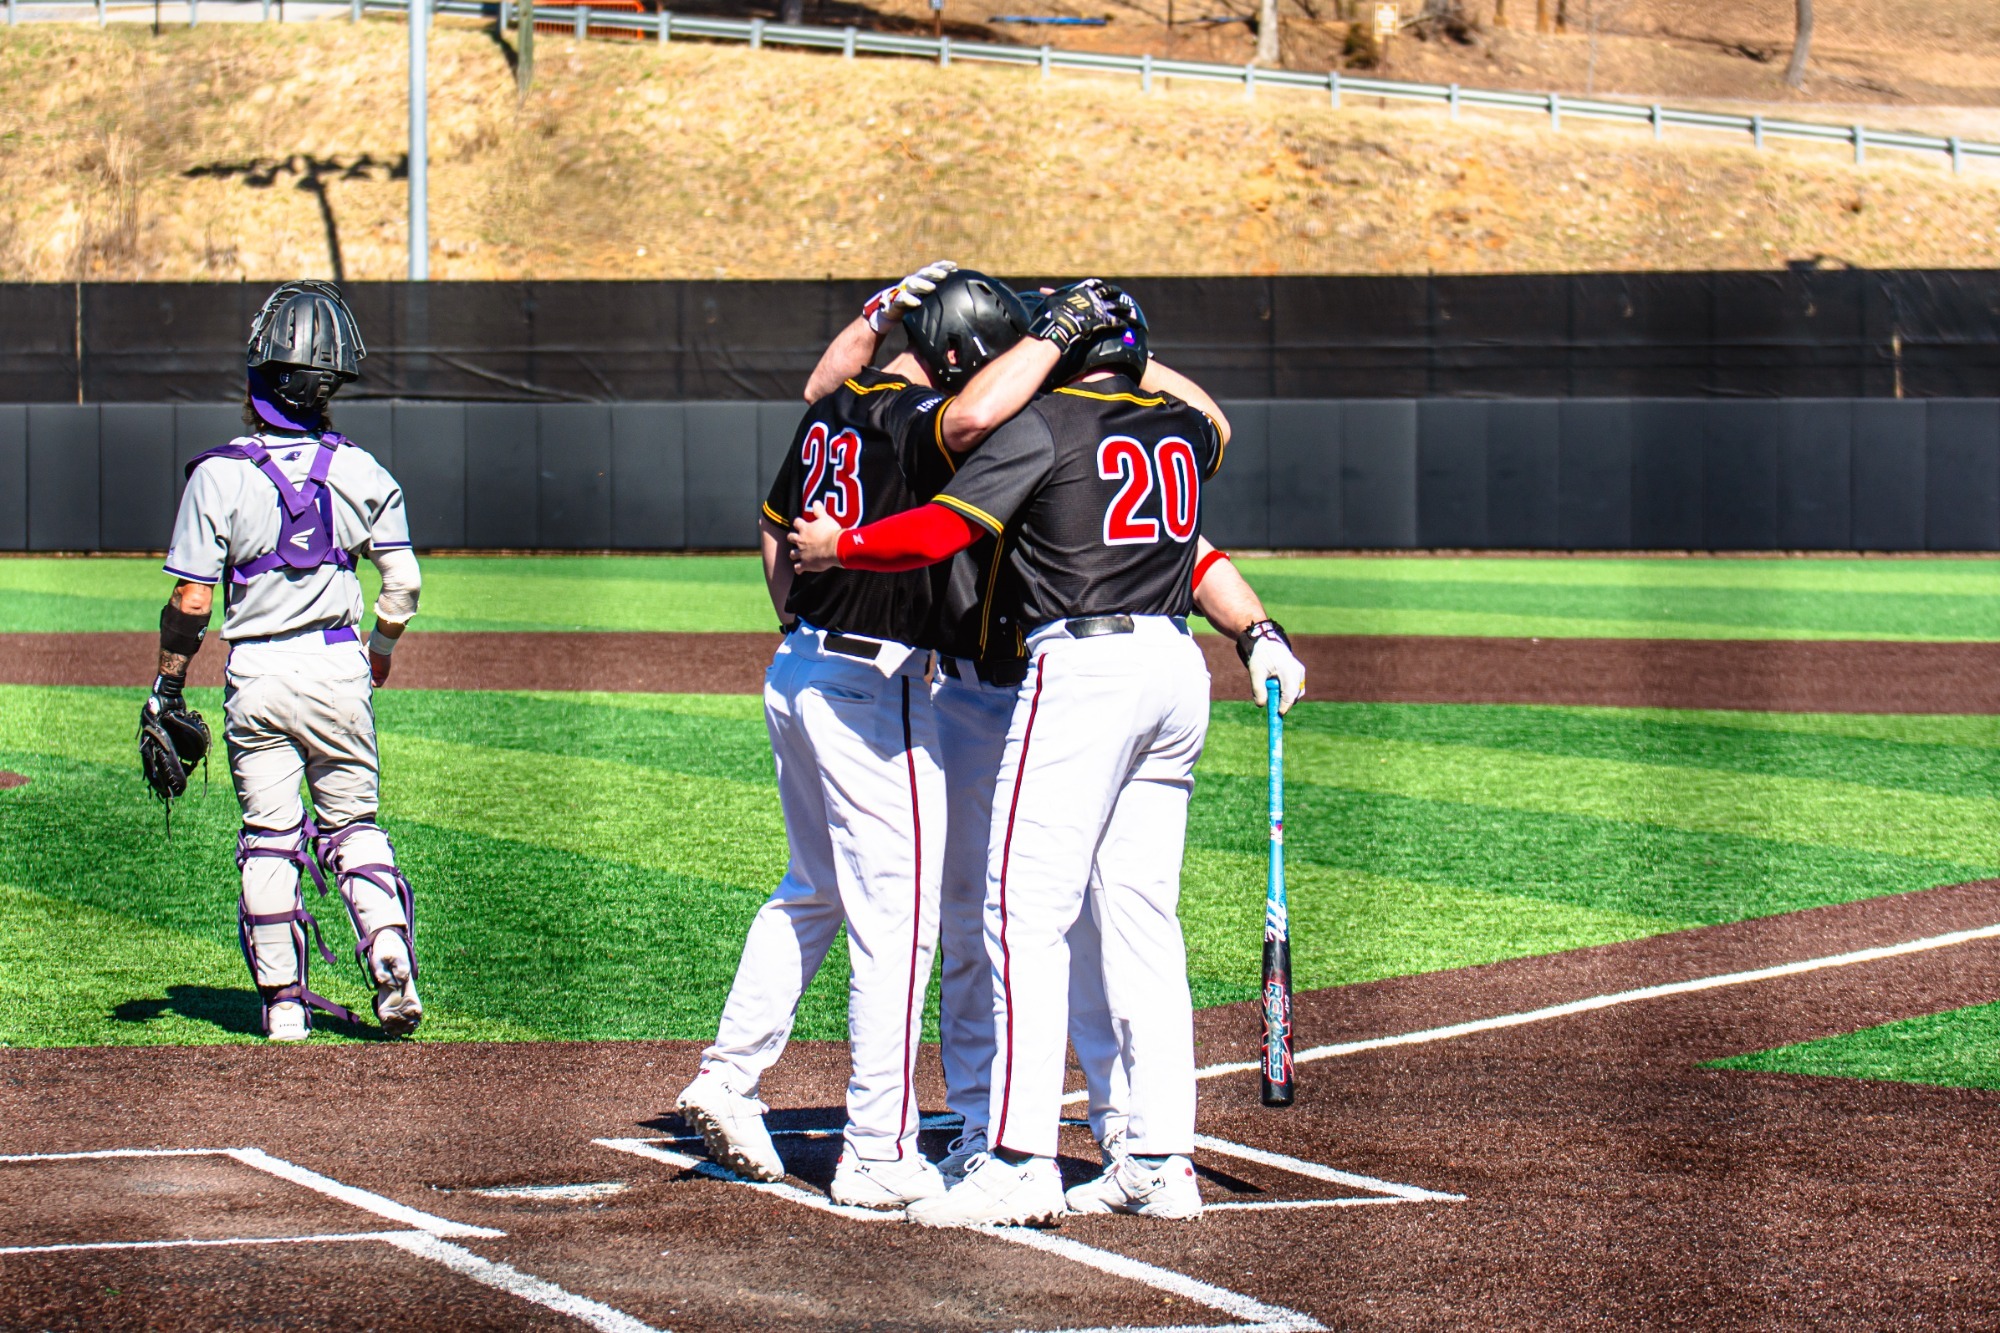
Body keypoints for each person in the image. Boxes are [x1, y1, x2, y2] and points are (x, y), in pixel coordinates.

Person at [797, 283, 1306, 1195]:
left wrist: (843, 549)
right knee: (1141, 925)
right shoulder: (1175, 430)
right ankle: (1158, 1160)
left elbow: (942, 526)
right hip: (1175, 672)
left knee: (1017, 913)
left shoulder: (1042, 426)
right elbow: (1196, 537)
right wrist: (1257, 631)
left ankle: (1019, 1159)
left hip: (1082, 673)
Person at [673, 264, 1095, 1210]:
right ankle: (878, 1148)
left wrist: (795, 623)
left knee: (812, 891)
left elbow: (774, 525)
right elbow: (974, 419)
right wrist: (1060, 336)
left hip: (801, 668)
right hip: (875, 679)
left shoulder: (834, 404)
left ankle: (728, 1077)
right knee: (897, 927)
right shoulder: (909, 416)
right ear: (959, 353)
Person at [142, 280, 424, 1043]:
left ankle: (284, 1008)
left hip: (258, 675)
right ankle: (390, 954)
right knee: (353, 826)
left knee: (271, 837)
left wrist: (167, 685)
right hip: (338, 669)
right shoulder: (362, 471)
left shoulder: (217, 474)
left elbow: (194, 604)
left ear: (257, 378)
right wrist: (382, 648)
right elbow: (403, 582)